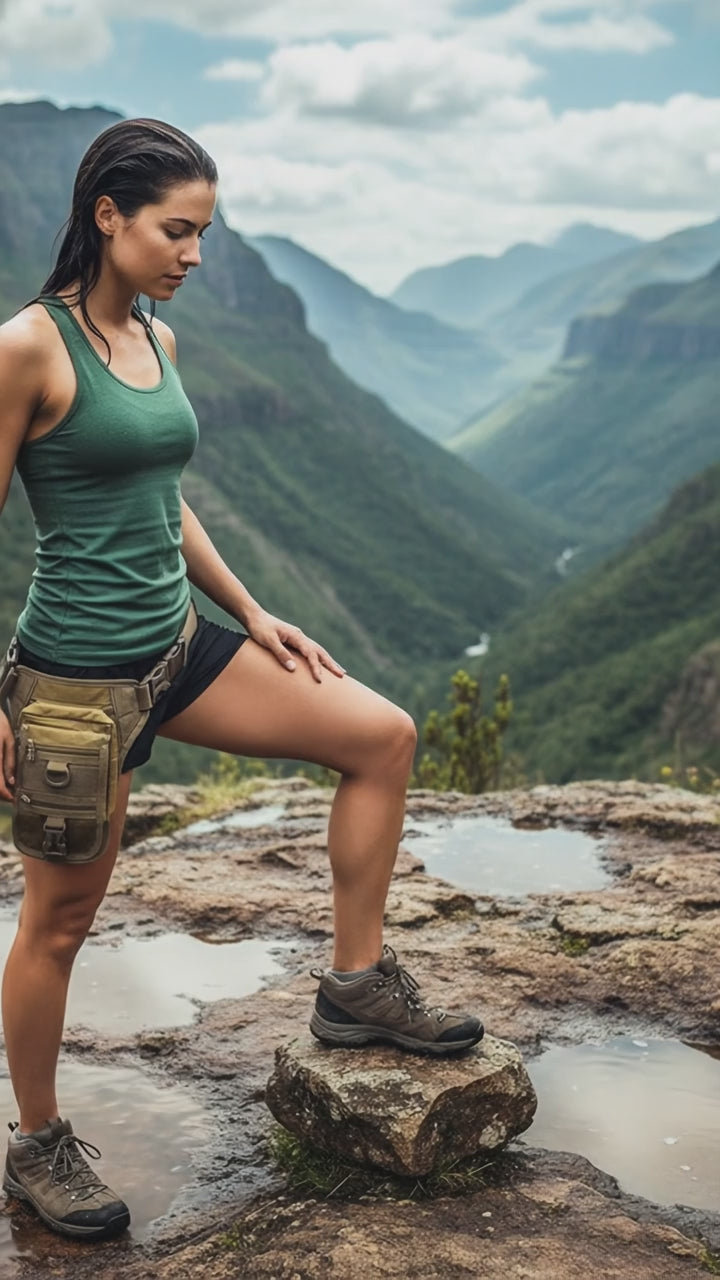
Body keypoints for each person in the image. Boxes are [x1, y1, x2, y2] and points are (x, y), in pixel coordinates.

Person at [0, 117, 483, 1243]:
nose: (195, 253)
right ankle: (35, 1143)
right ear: (106, 215)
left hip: (181, 646)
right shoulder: (26, 347)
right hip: (76, 683)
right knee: (60, 921)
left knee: (381, 734)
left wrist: (252, 612)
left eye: (206, 233)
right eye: (178, 229)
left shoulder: (154, 343)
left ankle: (357, 987)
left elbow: (161, 494)